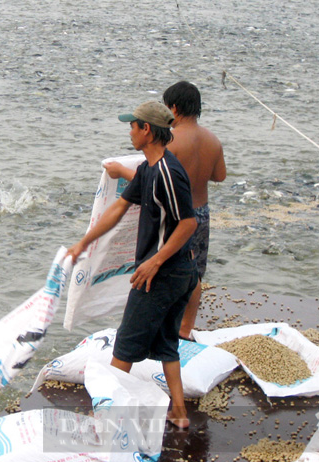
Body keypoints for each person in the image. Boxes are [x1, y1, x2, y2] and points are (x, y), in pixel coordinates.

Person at [67, 101, 197, 429]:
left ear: (147, 131)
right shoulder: (148, 169)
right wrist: (84, 242)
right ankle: (179, 413)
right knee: (167, 344)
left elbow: (188, 224)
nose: (130, 131)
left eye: (133, 126)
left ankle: (104, 419)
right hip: (176, 272)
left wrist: (154, 262)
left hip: (164, 273)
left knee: (124, 345)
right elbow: (119, 207)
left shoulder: (168, 171)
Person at [104, 82, 226, 340]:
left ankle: (166, 326)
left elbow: (151, 176)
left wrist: (119, 171)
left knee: (168, 268)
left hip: (177, 217)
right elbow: (220, 176)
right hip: (202, 211)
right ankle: (186, 328)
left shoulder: (173, 141)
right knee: (195, 271)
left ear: (174, 108)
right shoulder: (213, 140)